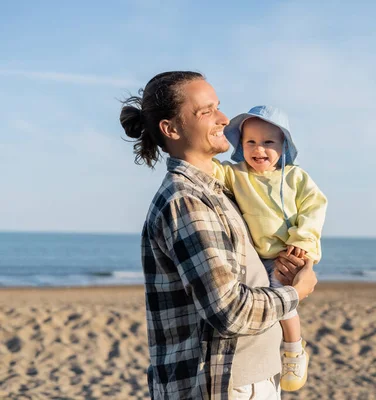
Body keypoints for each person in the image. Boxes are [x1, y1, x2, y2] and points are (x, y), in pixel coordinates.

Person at [119, 71, 317, 400]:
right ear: (171, 129)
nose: (224, 119)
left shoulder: (218, 191)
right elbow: (229, 311)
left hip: (249, 378)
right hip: (223, 385)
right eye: (206, 111)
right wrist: (295, 293)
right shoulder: (187, 201)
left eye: (218, 107)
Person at [212, 106, 327, 391]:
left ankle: (294, 349)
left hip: (288, 253)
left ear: (283, 145)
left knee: (282, 299)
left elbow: (314, 208)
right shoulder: (236, 174)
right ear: (240, 145)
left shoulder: (295, 178)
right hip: (254, 256)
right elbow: (210, 169)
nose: (258, 149)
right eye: (250, 141)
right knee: (257, 305)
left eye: (268, 142)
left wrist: (301, 241)